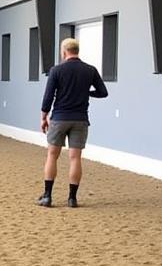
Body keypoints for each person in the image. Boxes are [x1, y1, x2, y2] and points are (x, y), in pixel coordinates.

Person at [36, 36, 108, 208]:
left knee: (52, 155)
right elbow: (103, 92)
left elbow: (48, 97)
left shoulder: (56, 70)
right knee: (75, 158)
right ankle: (72, 198)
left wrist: (43, 117)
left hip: (60, 118)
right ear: (77, 51)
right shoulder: (90, 70)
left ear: (64, 52)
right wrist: (86, 93)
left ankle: (47, 196)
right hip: (80, 119)